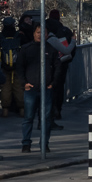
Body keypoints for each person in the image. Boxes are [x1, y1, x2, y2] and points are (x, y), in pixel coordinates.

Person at [17, 25, 58, 153]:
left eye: (43, 33)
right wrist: (24, 83)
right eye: (38, 32)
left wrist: (53, 83)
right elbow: (19, 67)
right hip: (31, 89)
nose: (40, 35)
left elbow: (58, 67)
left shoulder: (51, 49)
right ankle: (26, 144)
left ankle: (44, 144)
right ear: (34, 34)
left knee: (46, 118)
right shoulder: (26, 49)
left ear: (47, 35)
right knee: (28, 117)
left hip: (46, 89)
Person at [0, 18, 24, 117]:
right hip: (18, 67)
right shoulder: (19, 36)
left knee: (5, 88)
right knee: (19, 88)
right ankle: (22, 110)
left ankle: (5, 110)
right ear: (13, 25)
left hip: (4, 67)